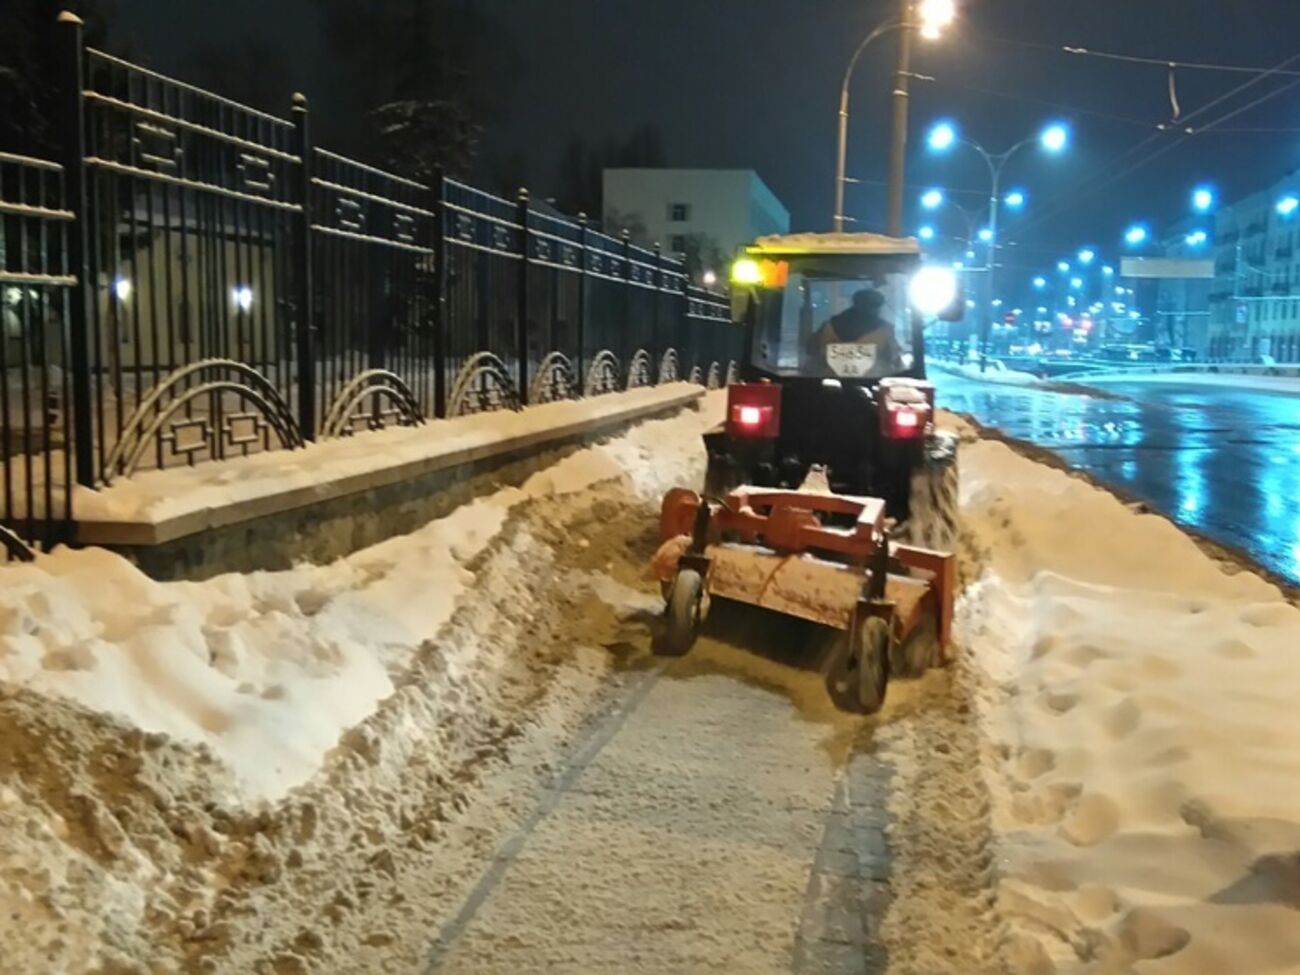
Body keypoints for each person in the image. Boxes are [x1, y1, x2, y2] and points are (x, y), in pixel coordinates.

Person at [810, 288, 901, 372]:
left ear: (854, 304)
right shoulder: (884, 330)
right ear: (877, 308)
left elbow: (811, 350)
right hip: (871, 381)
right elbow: (893, 358)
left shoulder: (828, 326)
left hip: (828, 382)